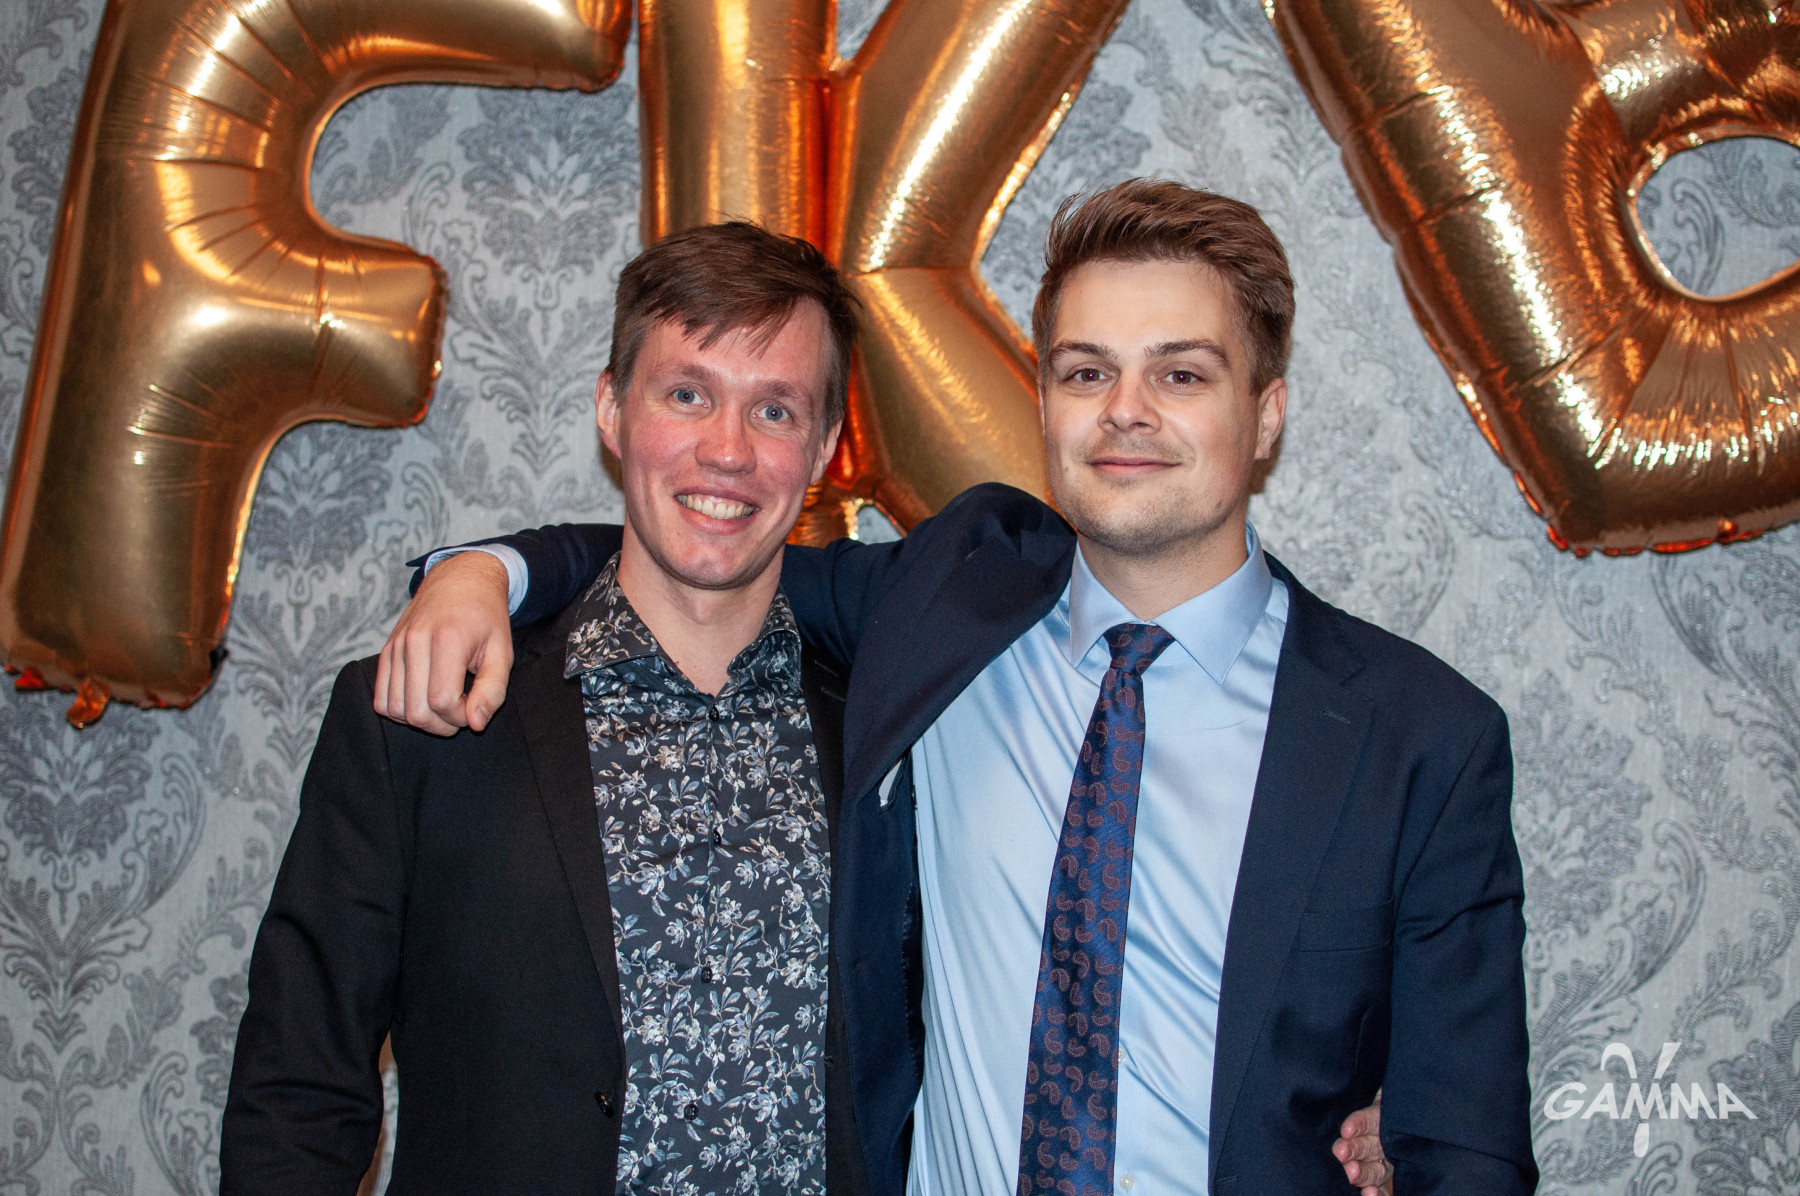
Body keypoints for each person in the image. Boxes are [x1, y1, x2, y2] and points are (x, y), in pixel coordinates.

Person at [382, 184, 1495, 1193]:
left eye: (1182, 373)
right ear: (1045, 401)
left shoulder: (1420, 741)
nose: (1126, 409)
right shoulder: (948, 602)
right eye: (1086, 370)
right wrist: (489, 571)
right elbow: (703, 540)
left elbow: (1468, 1149)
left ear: (1266, 414)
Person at [221, 223, 872, 1194]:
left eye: (774, 410)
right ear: (612, 409)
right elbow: (299, 1091)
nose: (727, 449)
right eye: (687, 394)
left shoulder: (888, 727)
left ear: (823, 446)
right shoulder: (421, 712)